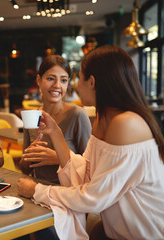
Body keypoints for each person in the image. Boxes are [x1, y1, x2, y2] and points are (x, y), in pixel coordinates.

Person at [17, 46, 164, 239]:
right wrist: (55, 133)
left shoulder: (126, 123)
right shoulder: (104, 119)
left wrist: (37, 190)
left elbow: (94, 197)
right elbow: (85, 172)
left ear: (92, 82)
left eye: (76, 78)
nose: (74, 86)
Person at [19, 55, 91, 183]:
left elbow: (90, 166)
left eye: (63, 80)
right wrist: (27, 158)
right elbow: (25, 170)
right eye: (51, 79)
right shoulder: (32, 117)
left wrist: (57, 158)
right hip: (37, 191)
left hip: (68, 193)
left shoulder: (77, 115)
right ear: (39, 80)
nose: (57, 85)